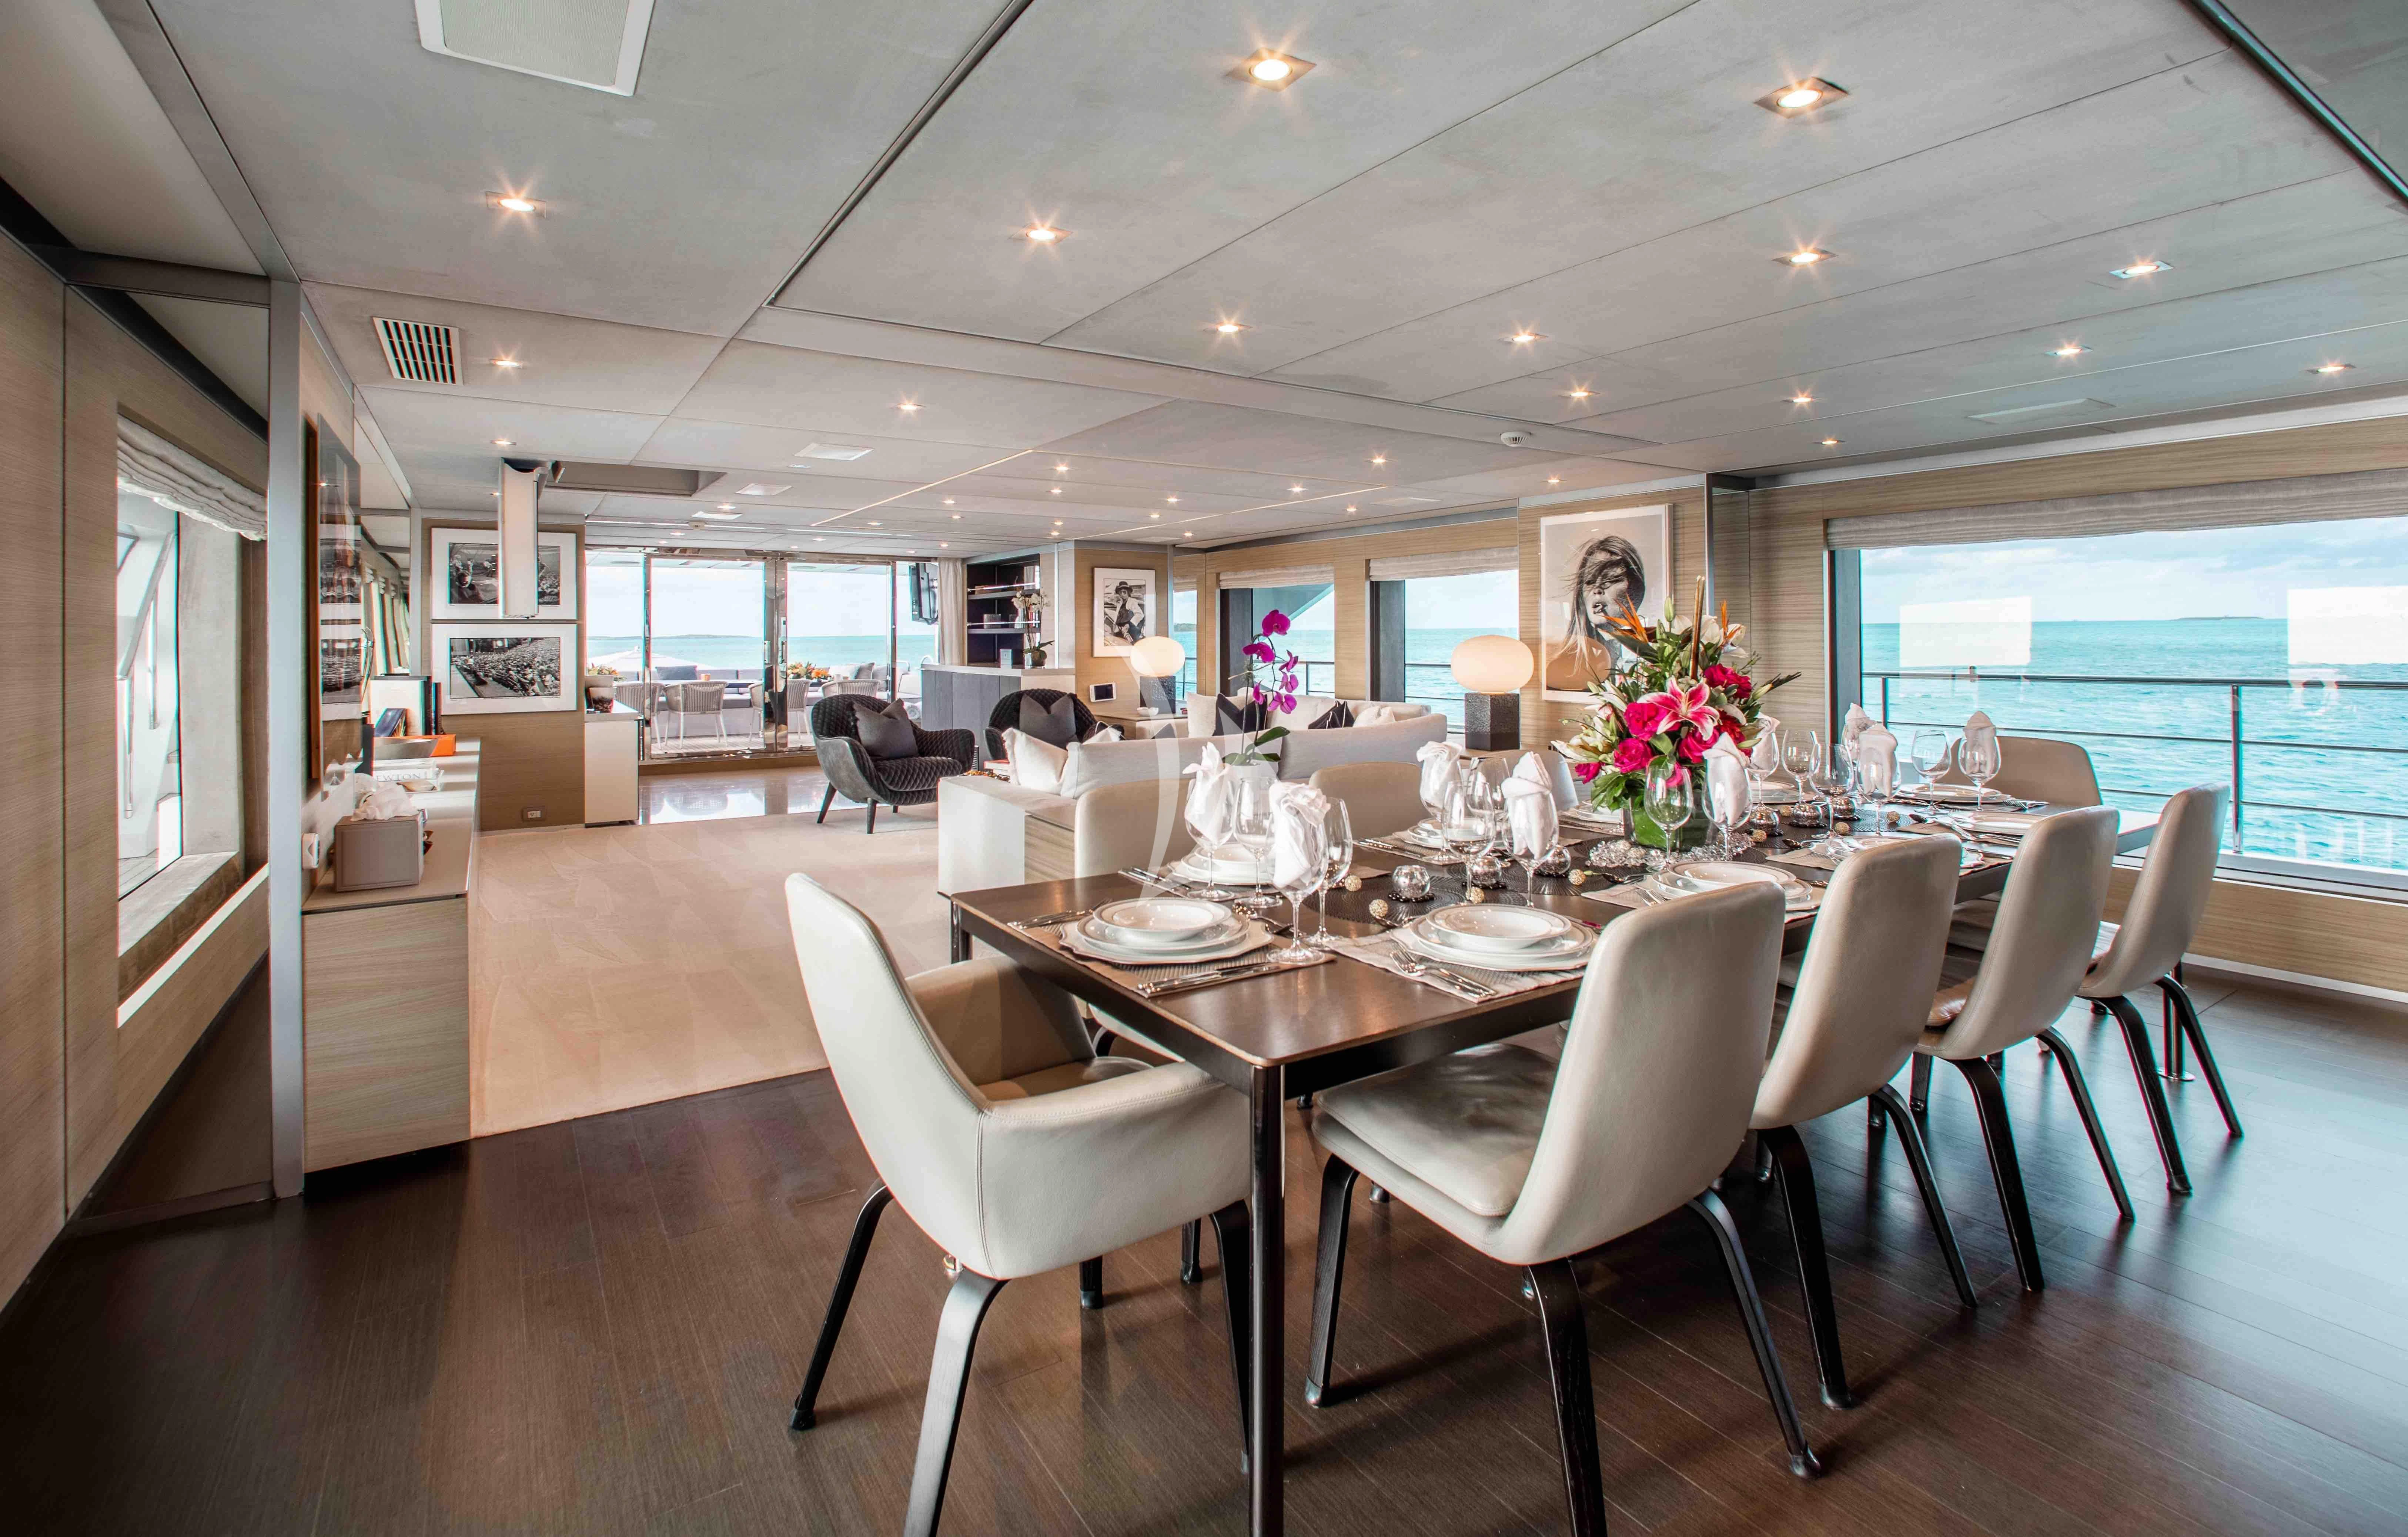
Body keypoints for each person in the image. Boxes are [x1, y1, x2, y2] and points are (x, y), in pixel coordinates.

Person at [1544, 534, 1648, 694]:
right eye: (1590, 582)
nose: (1597, 589)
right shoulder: (1564, 665)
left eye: (1610, 580)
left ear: (1635, 588)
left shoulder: (1647, 656)